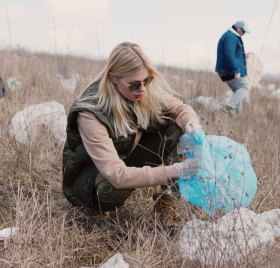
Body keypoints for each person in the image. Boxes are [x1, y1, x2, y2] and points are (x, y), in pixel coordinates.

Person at [62, 42, 203, 235]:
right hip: (93, 175)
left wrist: (192, 126)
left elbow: (180, 109)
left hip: (127, 154)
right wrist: (177, 169)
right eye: (135, 84)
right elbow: (117, 175)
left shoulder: (143, 89)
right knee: (113, 188)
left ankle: (167, 202)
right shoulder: (90, 112)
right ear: (113, 78)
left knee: (178, 129)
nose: (142, 89)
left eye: (147, 80)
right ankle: (99, 208)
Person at [215, 20, 251, 113]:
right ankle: (230, 106)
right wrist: (236, 71)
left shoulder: (231, 36)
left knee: (238, 91)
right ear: (238, 28)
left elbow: (232, 52)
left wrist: (243, 55)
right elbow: (229, 53)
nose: (244, 33)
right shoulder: (231, 37)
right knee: (245, 86)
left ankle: (238, 115)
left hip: (226, 70)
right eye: (243, 31)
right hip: (229, 70)